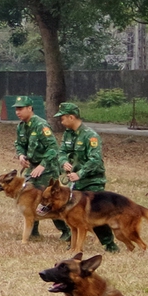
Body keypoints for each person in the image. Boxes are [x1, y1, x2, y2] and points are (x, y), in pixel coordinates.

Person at [53, 102, 119, 253]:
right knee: (71, 211)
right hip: (75, 183)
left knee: (97, 213)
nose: (61, 121)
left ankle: (109, 244)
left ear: (71, 117)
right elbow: (61, 151)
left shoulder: (91, 136)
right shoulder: (68, 134)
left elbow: (95, 160)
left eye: (62, 118)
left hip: (92, 181)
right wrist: (64, 162)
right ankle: (74, 244)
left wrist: (80, 173)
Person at [11, 96, 65, 241]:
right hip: (32, 168)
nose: (18, 112)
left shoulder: (41, 125)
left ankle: (66, 230)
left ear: (30, 108)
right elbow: (19, 144)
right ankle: (33, 231)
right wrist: (21, 156)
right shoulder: (21, 126)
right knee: (29, 197)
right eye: (16, 109)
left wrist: (42, 165)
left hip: (47, 169)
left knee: (49, 199)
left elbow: (53, 148)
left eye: (21, 109)